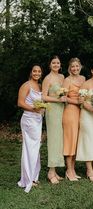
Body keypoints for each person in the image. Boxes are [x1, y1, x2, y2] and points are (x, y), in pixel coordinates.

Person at [76, 64, 93, 182]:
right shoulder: (86, 84)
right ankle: (89, 170)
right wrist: (91, 109)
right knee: (88, 140)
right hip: (87, 116)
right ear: (92, 71)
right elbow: (81, 100)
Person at [17, 65, 43, 193]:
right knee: (29, 148)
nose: (36, 73)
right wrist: (34, 109)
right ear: (31, 72)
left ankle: (33, 176)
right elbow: (20, 103)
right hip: (29, 119)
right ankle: (27, 179)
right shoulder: (26, 85)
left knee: (35, 148)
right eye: (34, 71)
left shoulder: (39, 86)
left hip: (38, 120)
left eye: (39, 71)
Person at [42, 55, 65, 184]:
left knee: (59, 139)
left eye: (58, 62)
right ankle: (50, 171)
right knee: (53, 139)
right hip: (53, 111)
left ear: (60, 65)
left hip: (62, 110)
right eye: (53, 63)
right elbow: (44, 97)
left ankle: (55, 169)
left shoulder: (62, 77)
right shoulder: (47, 78)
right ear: (50, 65)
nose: (56, 65)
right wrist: (58, 99)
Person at [62, 58, 85, 181]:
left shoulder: (83, 79)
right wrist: (76, 101)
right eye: (73, 67)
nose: (75, 68)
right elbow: (63, 98)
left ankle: (73, 169)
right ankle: (69, 170)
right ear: (70, 68)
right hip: (70, 111)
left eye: (77, 66)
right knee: (70, 141)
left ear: (80, 67)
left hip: (81, 112)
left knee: (76, 141)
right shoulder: (67, 80)